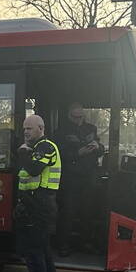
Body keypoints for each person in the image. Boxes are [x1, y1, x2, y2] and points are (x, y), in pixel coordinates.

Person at [13, 114, 62, 272]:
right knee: (44, 255)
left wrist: (23, 154)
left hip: (39, 206)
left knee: (35, 256)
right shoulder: (36, 148)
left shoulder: (46, 147)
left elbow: (33, 169)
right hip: (33, 204)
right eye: (24, 128)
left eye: (30, 128)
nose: (25, 132)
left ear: (41, 128)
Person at [54, 103, 104, 255]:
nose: (78, 120)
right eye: (75, 117)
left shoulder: (91, 128)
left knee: (87, 212)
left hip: (89, 177)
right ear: (69, 116)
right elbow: (58, 154)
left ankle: (86, 243)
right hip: (70, 178)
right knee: (68, 212)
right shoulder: (61, 131)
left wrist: (97, 147)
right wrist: (78, 153)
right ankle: (63, 245)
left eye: (80, 116)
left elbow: (102, 149)